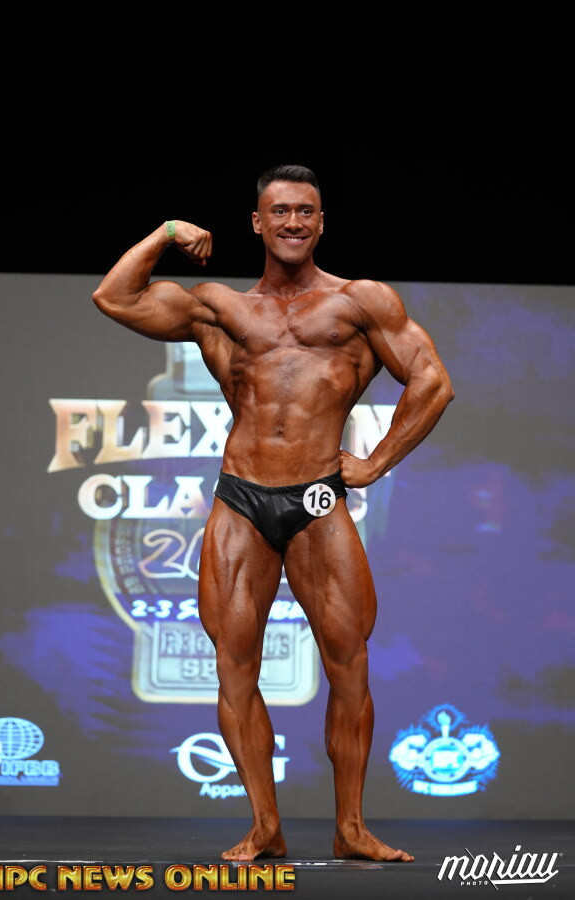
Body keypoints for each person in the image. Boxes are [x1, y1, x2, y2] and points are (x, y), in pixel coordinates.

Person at [92, 164, 454, 863]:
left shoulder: (360, 301)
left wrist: (376, 461)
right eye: (280, 211)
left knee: (349, 666)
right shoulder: (220, 308)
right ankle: (265, 825)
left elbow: (432, 381)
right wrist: (166, 232)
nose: (293, 222)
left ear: (321, 222)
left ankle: (352, 828)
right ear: (257, 223)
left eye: (306, 211)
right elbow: (115, 296)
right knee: (234, 668)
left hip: (317, 498)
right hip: (241, 498)